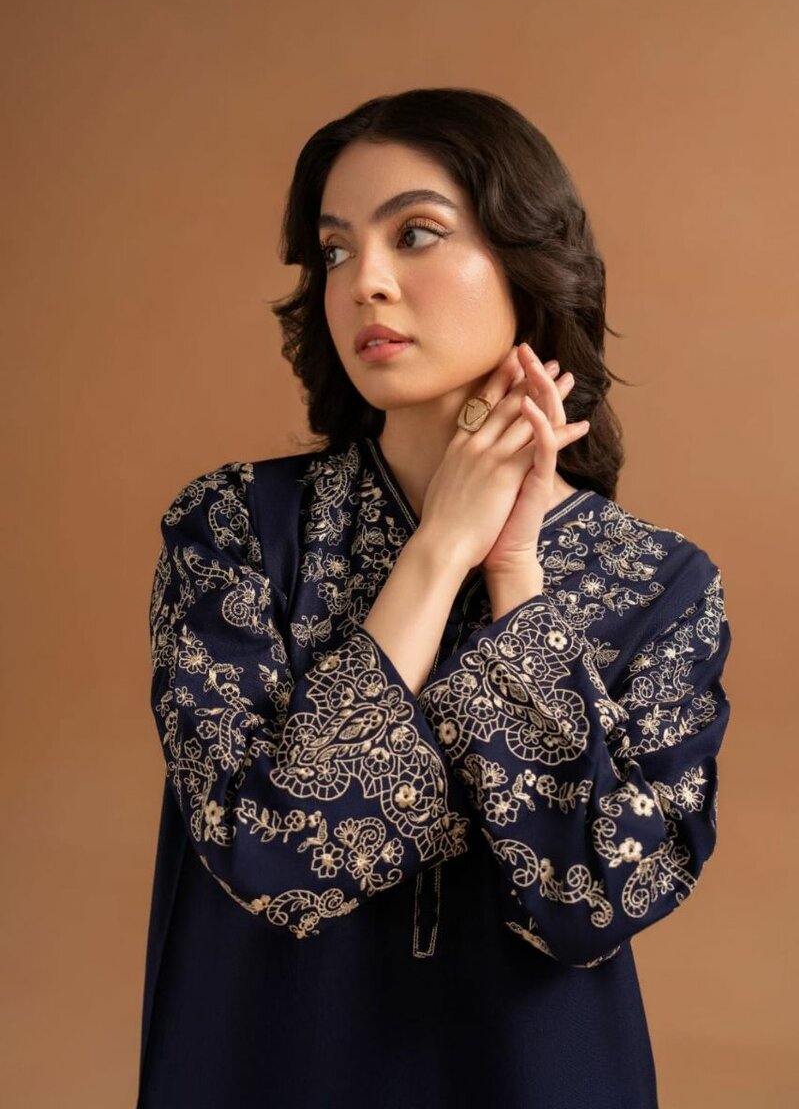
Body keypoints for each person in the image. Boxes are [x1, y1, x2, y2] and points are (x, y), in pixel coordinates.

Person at [136, 88, 732, 1109]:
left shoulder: (659, 584)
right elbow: (272, 854)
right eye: (334, 251)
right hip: (264, 1071)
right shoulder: (234, 529)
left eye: (414, 234)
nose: (364, 282)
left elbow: (590, 901)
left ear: (526, 262)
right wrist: (439, 549)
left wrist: (513, 576)